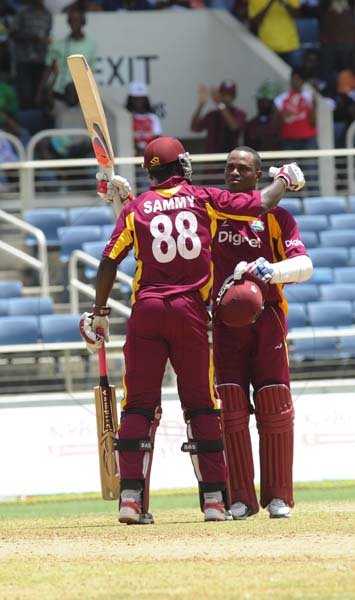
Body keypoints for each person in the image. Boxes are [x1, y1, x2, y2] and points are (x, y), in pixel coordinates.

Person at [79, 136, 305, 525]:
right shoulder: (203, 198)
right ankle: (216, 500)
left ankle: (131, 500)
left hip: (147, 311)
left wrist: (99, 311)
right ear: (179, 166)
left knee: (138, 407)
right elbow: (263, 201)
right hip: (191, 314)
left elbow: (109, 259)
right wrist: (284, 179)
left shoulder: (138, 208)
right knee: (203, 405)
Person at [211, 146, 313, 520]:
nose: (234, 174)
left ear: (258, 177)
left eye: (243, 169)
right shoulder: (211, 215)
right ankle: (240, 497)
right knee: (232, 408)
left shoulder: (277, 216)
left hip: (267, 317)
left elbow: (305, 264)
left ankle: (278, 496)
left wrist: (276, 271)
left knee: (274, 405)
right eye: (229, 168)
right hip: (223, 323)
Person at [35, 8, 96, 108]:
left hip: (80, 95)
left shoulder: (91, 45)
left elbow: (90, 71)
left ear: (83, 22)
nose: (73, 23)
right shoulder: (58, 45)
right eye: (71, 21)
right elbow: (48, 69)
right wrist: (40, 91)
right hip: (59, 93)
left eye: (77, 20)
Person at [9, 0, 52, 109]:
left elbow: (48, 34)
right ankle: (26, 121)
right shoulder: (22, 12)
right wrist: (32, 37)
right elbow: (13, 33)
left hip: (41, 60)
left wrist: (45, 40)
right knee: (25, 94)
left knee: (38, 93)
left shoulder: (48, 14)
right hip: (24, 59)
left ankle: (37, 121)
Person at [190, 80, 247, 153]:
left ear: (234, 97)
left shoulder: (240, 114)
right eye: (223, 94)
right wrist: (201, 105)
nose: (225, 98)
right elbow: (194, 128)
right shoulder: (212, 115)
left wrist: (220, 104)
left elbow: (234, 127)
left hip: (230, 159)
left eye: (229, 95)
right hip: (211, 160)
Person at [248, 0, 302, 69]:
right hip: (266, 48)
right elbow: (254, 24)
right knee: (268, 79)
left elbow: (297, 14)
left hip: (290, 45)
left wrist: (284, 2)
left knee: (296, 77)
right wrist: (270, 3)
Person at [274, 67, 317, 151]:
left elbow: (313, 122)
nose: (295, 82)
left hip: (308, 140)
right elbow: (276, 125)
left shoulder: (309, 97)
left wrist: (314, 106)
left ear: (302, 81)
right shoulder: (281, 99)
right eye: (293, 79)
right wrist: (281, 117)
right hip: (288, 140)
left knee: (309, 164)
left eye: (298, 79)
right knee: (290, 164)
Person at [125, 81, 162, 156]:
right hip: (132, 154)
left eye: (141, 99)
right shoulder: (127, 117)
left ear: (146, 99)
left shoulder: (153, 117)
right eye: (135, 99)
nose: (139, 102)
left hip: (150, 154)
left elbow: (157, 138)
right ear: (130, 100)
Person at [244, 80, 282, 151]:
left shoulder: (281, 124)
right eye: (259, 101)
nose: (261, 104)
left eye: (265, 101)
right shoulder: (251, 125)